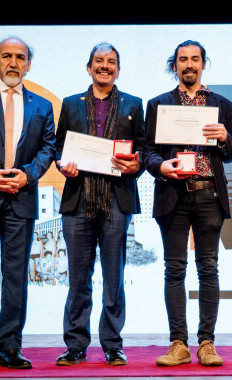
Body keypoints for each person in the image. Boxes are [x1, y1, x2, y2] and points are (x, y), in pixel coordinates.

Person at [143, 40, 232, 367]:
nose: (189, 65)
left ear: (203, 64)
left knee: (208, 269)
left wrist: (226, 138)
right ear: (175, 65)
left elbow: (229, 154)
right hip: (173, 193)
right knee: (174, 270)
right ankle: (178, 344)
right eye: (183, 59)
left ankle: (207, 343)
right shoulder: (159, 104)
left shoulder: (221, 105)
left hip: (209, 192)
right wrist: (160, 166)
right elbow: (148, 151)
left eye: (194, 59)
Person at [55, 42, 145, 366]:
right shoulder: (70, 104)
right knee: (78, 278)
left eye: (111, 62)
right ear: (89, 67)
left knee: (114, 278)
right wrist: (62, 164)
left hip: (116, 199)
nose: (105, 66)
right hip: (78, 199)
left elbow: (143, 150)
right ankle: (75, 344)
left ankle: (112, 344)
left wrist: (138, 165)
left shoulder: (134, 104)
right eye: (99, 61)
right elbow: (58, 149)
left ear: (118, 70)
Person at [0, 36, 55, 369]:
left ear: (28, 64)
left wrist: (27, 175)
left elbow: (48, 148)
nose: (12, 62)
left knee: (15, 277)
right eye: (6, 55)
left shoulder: (41, 105)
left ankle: (8, 346)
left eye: (19, 57)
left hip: (21, 197)